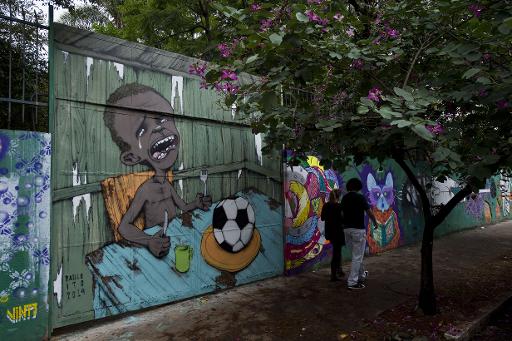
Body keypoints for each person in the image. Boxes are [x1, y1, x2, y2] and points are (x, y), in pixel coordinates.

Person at [104, 83, 212, 258]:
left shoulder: (166, 185)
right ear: (132, 157)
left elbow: (183, 206)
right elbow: (124, 227)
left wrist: (197, 204)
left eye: (162, 118)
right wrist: (148, 241)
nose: (159, 127)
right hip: (157, 244)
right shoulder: (146, 190)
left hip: (175, 236)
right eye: (141, 130)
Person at [341, 178, 378, 290]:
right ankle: (352, 282)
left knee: (356, 254)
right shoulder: (360, 198)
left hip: (346, 230)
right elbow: (369, 212)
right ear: (358, 187)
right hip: (358, 230)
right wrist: (375, 222)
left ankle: (361, 275)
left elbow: (342, 213)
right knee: (357, 256)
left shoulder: (345, 198)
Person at [321, 189, 345, 281]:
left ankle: (339, 271)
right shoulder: (339, 206)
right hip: (338, 232)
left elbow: (322, 218)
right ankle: (334, 275)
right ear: (338, 197)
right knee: (337, 253)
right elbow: (343, 219)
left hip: (329, 232)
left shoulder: (326, 206)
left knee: (337, 252)